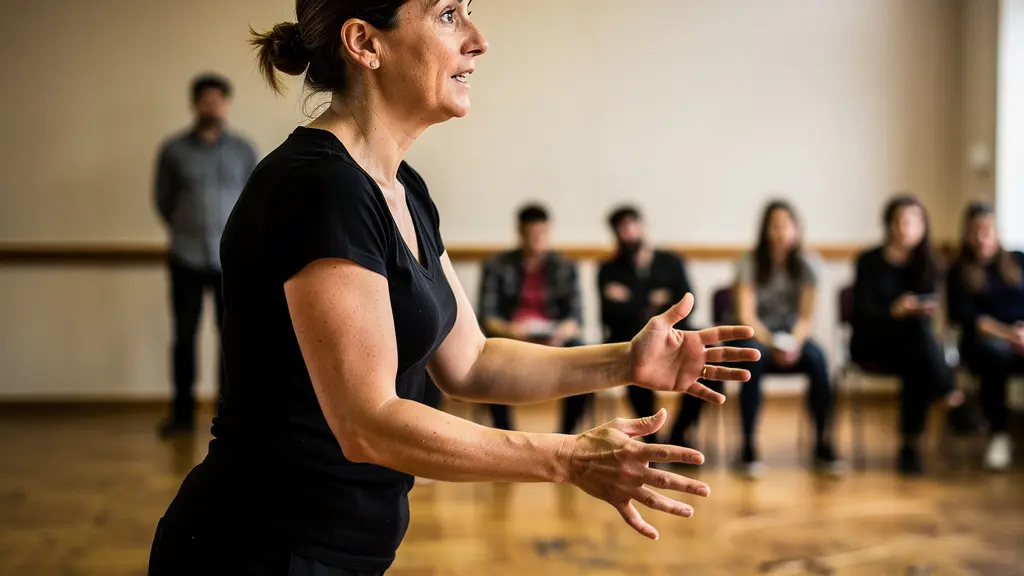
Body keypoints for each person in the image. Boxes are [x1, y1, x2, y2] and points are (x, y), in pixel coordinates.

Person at [147, 2, 759, 574]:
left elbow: (472, 362)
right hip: (257, 548)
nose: (477, 39)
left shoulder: (402, 187)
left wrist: (625, 360)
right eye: (446, 15)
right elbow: (369, 424)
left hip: (338, 549)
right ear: (364, 42)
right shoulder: (321, 190)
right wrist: (568, 457)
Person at [678, 201, 843, 477]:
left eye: (786, 225)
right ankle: (748, 445)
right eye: (775, 225)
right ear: (765, 229)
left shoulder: (808, 264)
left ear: (796, 229)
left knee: (818, 358)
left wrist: (794, 343)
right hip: (753, 335)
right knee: (755, 357)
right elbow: (747, 315)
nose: (781, 231)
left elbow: (805, 317)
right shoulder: (748, 262)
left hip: (791, 336)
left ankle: (823, 441)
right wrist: (773, 343)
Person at [153, 73, 259, 437]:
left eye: (217, 99)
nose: (211, 106)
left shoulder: (243, 151)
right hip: (186, 255)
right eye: (205, 99)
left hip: (230, 261)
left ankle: (226, 414)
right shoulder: (173, 151)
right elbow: (163, 201)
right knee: (184, 336)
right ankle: (181, 414)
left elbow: (252, 203)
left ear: (225, 104)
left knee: (230, 338)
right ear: (194, 103)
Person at [851, 195, 976, 475]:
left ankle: (911, 447)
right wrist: (894, 310)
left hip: (911, 347)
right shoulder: (869, 261)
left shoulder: (929, 263)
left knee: (916, 355)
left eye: (913, 220)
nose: (906, 227)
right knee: (917, 341)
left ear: (923, 226)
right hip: (872, 340)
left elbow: (936, 312)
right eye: (900, 220)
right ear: (889, 224)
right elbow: (861, 312)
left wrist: (916, 310)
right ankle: (950, 399)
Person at [596, 205, 697, 444]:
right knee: (633, 360)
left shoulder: (670, 261)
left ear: (642, 226)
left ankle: (680, 433)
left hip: (672, 337)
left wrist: (630, 298)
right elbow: (609, 315)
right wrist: (653, 298)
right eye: (621, 228)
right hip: (629, 339)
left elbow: (690, 302)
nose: (628, 232)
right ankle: (652, 437)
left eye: (632, 225)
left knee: (706, 361)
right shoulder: (608, 269)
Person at [478, 204, 583, 432]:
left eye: (542, 234)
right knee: (488, 362)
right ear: (520, 232)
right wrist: (510, 331)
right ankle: (505, 435)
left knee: (584, 357)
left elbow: (575, 318)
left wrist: (563, 331)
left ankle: (567, 436)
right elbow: (488, 317)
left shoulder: (565, 266)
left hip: (553, 338)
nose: (537, 240)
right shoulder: (497, 266)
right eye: (531, 235)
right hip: (512, 338)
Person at [946, 201, 1024, 471]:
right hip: (981, 344)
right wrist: (1008, 335)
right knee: (996, 355)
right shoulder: (958, 272)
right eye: (975, 230)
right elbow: (970, 318)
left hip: (1020, 337)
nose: (982, 236)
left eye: (987, 229)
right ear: (966, 234)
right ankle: (999, 434)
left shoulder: (1018, 260)